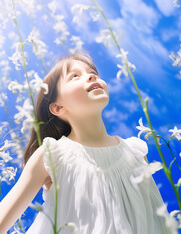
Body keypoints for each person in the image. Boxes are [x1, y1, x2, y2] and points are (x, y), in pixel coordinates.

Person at [0, 52, 172, 234]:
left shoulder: (136, 152)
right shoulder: (52, 155)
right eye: (75, 76)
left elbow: (156, 218)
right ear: (58, 107)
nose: (91, 76)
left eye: (93, 73)